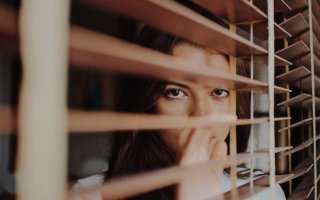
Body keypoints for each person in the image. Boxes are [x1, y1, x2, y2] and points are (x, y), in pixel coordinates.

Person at [71, 2, 286, 200]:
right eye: (176, 92)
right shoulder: (92, 195)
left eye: (219, 91)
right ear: (147, 103)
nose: (201, 115)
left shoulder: (263, 194)